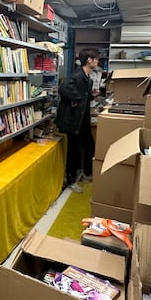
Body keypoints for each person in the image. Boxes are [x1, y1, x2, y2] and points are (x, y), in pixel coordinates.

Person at [55, 47, 100, 193]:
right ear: (89, 60)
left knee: (90, 146)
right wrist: (79, 99)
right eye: (96, 58)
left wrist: (91, 96)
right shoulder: (76, 75)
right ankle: (71, 180)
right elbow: (63, 88)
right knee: (73, 152)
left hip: (83, 121)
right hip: (73, 122)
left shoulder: (88, 78)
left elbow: (82, 97)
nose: (97, 61)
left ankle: (86, 173)